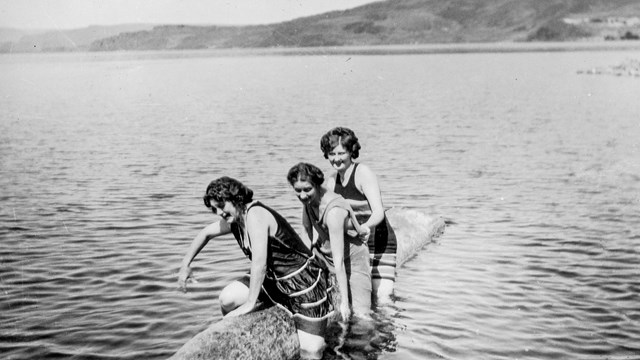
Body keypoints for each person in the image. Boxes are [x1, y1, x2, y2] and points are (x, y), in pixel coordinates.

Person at [177, 176, 333, 359]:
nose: (219, 212)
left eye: (221, 205)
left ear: (235, 198)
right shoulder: (235, 218)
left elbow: (259, 263)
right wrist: (185, 265)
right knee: (227, 299)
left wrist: (250, 304)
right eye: (214, 209)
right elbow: (205, 233)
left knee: (311, 351)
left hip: (302, 283)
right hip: (272, 279)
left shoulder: (255, 215)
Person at [320, 127, 398, 303]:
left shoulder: (363, 173)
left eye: (341, 153)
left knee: (381, 298)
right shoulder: (331, 181)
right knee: (359, 297)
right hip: (355, 244)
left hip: (379, 240)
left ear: (351, 151)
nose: (336, 159)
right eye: (332, 154)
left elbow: (378, 211)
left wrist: (364, 227)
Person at [287, 162, 372, 318]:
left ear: (317, 185)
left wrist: (344, 303)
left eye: (307, 189)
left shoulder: (333, 212)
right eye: (297, 190)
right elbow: (306, 230)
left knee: (362, 316)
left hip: (351, 260)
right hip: (325, 254)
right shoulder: (308, 201)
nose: (303, 195)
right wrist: (306, 260)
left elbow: (339, 261)